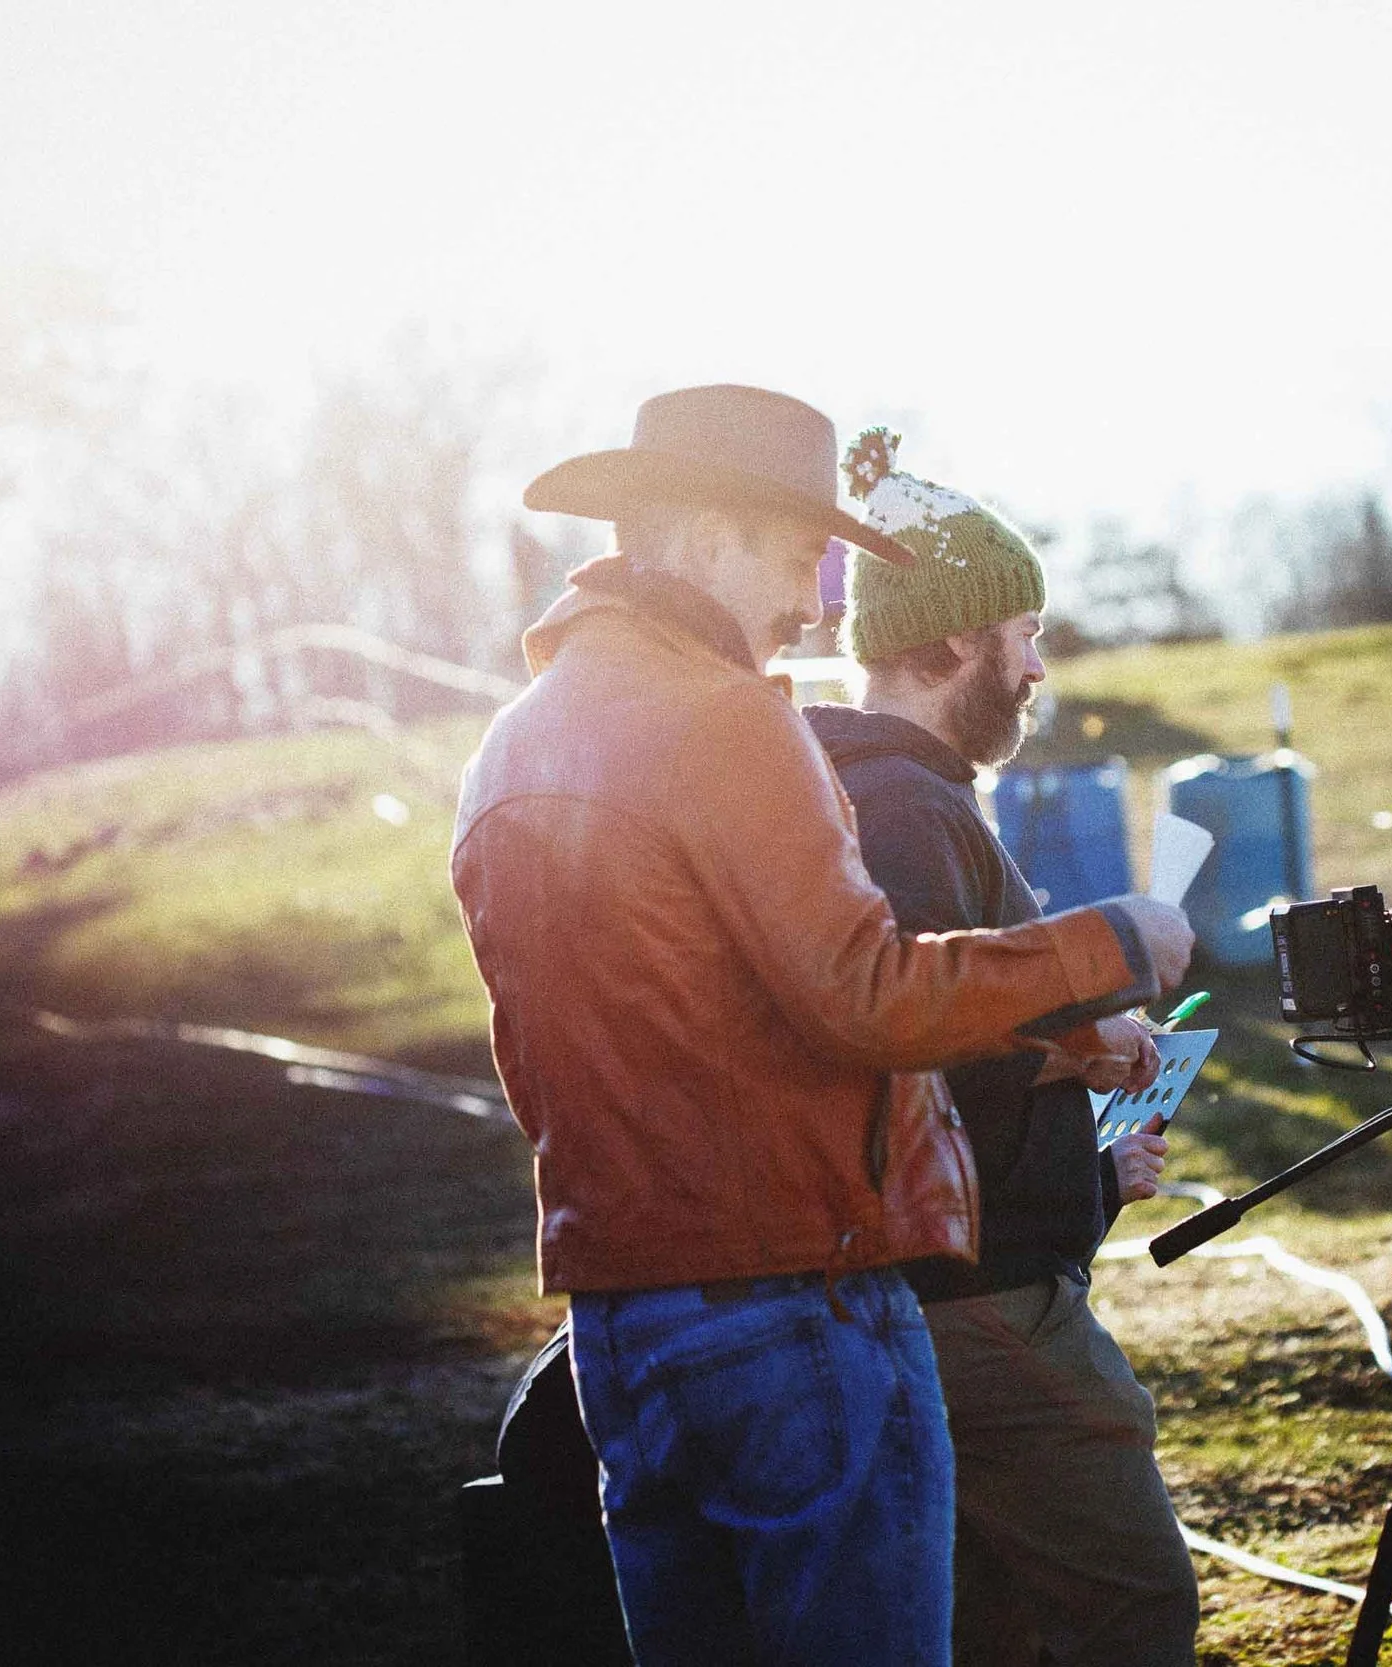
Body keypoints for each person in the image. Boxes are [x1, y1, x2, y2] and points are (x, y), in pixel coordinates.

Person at [450, 385, 1195, 1667]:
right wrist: (1113, 941)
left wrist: (1050, 1048)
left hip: (618, 1326)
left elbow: (707, 1027)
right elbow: (866, 995)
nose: (813, 599)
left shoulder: (509, 749)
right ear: (706, 534)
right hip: (796, 1306)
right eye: (800, 553)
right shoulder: (727, 717)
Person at [803, 428, 1201, 1667]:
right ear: (943, 644)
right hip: (977, 1307)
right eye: (1019, 634)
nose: (1036, 667)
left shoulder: (888, 796)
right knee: (1131, 1607)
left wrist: (1086, 1161)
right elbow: (913, 1044)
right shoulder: (906, 813)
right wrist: (1083, 1040)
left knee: (993, 1624)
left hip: (956, 1287)